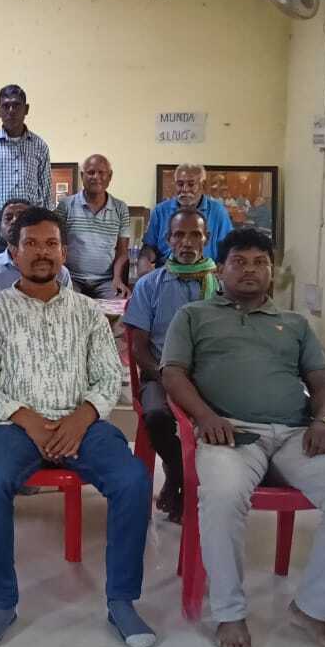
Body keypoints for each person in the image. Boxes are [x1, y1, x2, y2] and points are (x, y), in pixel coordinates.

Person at [161, 228, 325, 647]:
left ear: (271, 271)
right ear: (220, 270)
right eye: (239, 262)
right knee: (222, 496)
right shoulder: (193, 315)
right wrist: (205, 417)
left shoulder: (295, 324)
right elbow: (172, 373)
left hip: (296, 434)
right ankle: (229, 611)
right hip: (229, 433)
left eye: (260, 262)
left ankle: (312, 608)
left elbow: (323, 380)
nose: (250, 270)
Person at [0, 207, 154, 647]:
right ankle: (1, 602)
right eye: (30, 244)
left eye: (51, 244)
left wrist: (80, 419)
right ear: (14, 253)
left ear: (64, 252)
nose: (42, 252)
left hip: (81, 423)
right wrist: (29, 420)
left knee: (132, 480)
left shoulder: (88, 313)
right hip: (12, 425)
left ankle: (122, 600)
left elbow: (108, 379)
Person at [122, 208, 217, 520]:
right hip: (159, 373)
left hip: (209, 376)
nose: (187, 242)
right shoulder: (150, 285)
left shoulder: (220, 288)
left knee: (225, 419)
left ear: (206, 239)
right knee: (155, 415)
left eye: (195, 235)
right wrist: (167, 378)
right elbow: (138, 347)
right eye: (179, 235)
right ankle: (179, 475)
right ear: (168, 240)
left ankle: (188, 482)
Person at [0, 84, 54, 260]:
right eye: (6, 106)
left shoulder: (40, 146)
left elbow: (46, 196)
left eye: (16, 105)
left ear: (26, 109)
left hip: (30, 221)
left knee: (28, 270)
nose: (11, 111)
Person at [0, 198, 70, 309]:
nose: (14, 221)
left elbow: (68, 312)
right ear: (0, 230)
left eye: (21, 217)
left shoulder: (59, 272)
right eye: (8, 218)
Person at [56, 154, 131, 299]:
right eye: (91, 172)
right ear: (82, 176)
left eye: (101, 172)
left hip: (106, 281)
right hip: (72, 279)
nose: (96, 177)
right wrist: (61, 277)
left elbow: (122, 252)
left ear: (110, 176)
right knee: (64, 305)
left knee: (122, 303)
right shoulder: (65, 206)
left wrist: (117, 279)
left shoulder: (121, 208)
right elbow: (58, 247)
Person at [142, 163, 232, 260]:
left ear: (203, 185)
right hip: (167, 267)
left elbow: (229, 250)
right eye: (180, 184)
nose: (185, 189)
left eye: (191, 184)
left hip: (206, 268)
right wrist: (144, 261)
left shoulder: (218, 212)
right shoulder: (160, 211)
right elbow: (149, 246)